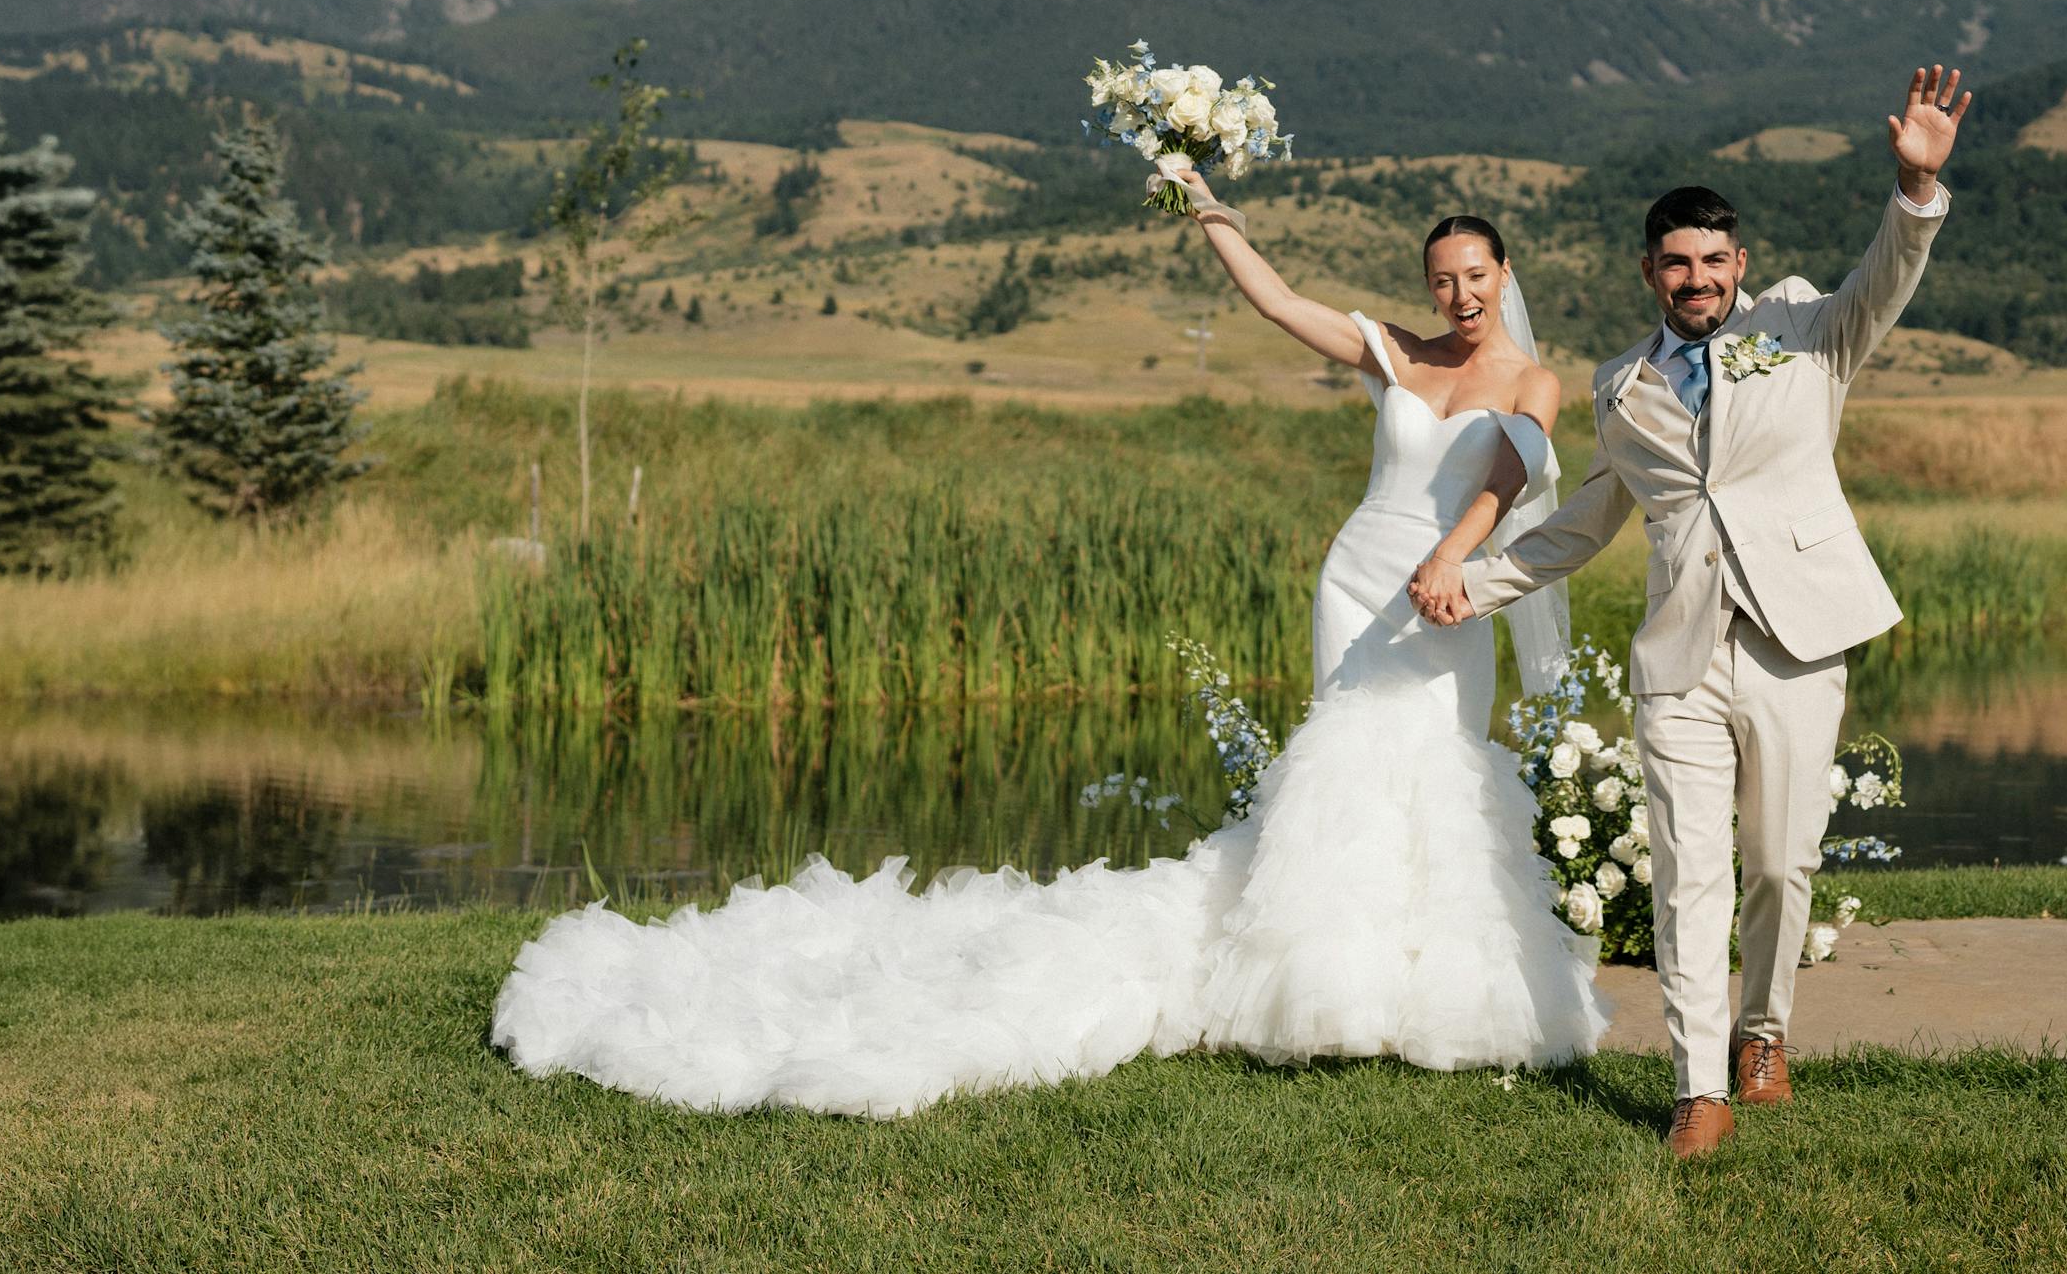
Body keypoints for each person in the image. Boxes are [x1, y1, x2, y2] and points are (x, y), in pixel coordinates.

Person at [491, 196, 1608, 1117]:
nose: (1456, 295)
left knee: (1432, 762)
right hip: (1355, 575)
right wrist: (1209, 208)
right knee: (1342, 769)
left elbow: (1510, 477)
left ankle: (1435, 990)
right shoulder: (1392, 353)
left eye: (1473, 275)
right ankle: (1329, 987)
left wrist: (1456, 562)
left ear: (1505, 273)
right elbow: (1271, 300)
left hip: (1448, 590)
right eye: (1440, 278)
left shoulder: (1532, 380)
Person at [1414, 64, 1970, 1162]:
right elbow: (1581, 523)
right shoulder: (1621, 388)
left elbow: (1887, 277)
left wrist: (1914, 188)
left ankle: (1764, 1030)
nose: (1697, 277)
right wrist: (1465, 583)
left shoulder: (1810, 330)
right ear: (1650, 272)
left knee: (1778, 862)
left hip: (1795, 641)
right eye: (1677, 261)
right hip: (1678, 657)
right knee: (1687, 869)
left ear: (1739, 265)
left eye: (1714, 259)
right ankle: (1697, 1085)